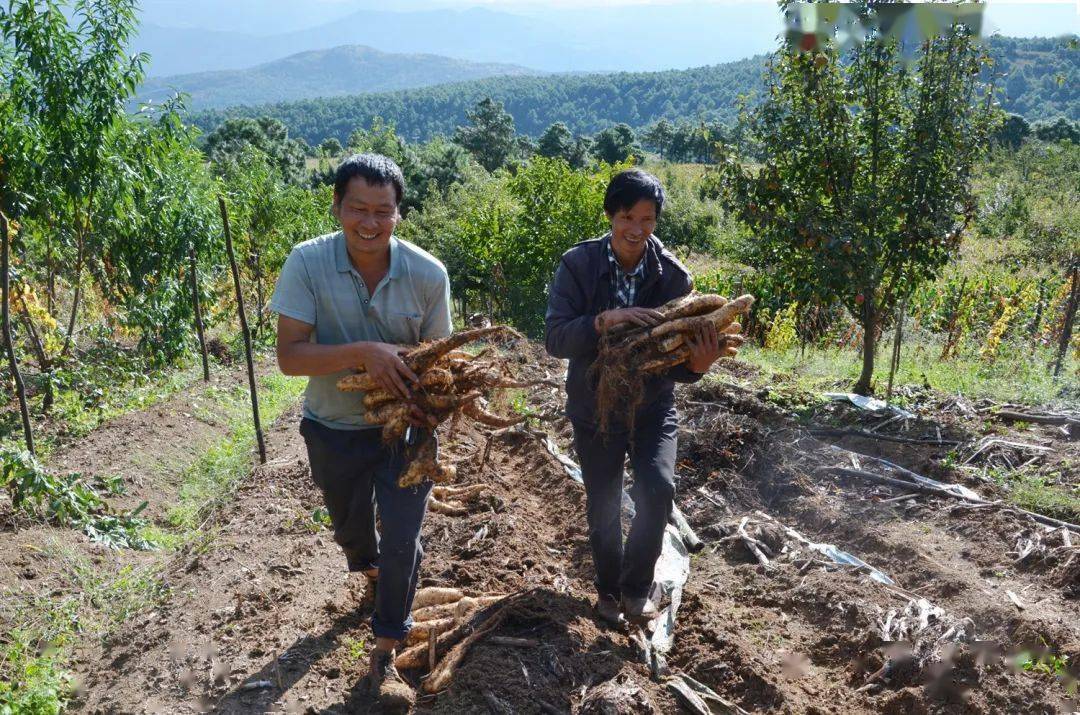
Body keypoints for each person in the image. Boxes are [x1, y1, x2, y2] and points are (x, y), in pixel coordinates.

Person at [270, 153, 451, 708]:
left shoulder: (427, 274)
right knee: (354, 533)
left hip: (405, 434)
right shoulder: (307, 263)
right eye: (357, 209)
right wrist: (365, 354)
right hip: (332, 427)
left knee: (403, 539)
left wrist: (431, 405)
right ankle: (366, 565)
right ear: (337, 207)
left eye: (382, 211)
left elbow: (440, 366)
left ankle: (387, 645)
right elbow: (289, 357)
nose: (369, 223)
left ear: (399, 214)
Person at [544, 168, 723, 628]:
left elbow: (680, 359)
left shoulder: (674, 279)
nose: (637, 229)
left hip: (651, 407)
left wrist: (698, 366)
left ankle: (636, 587)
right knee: (603, 504)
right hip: (594, 406)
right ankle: (607, 590)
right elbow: (556, 338)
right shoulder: (578, 266)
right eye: (627, 216)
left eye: (647, 219)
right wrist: (607, 320)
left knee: (658, 489)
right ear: (610, 215)